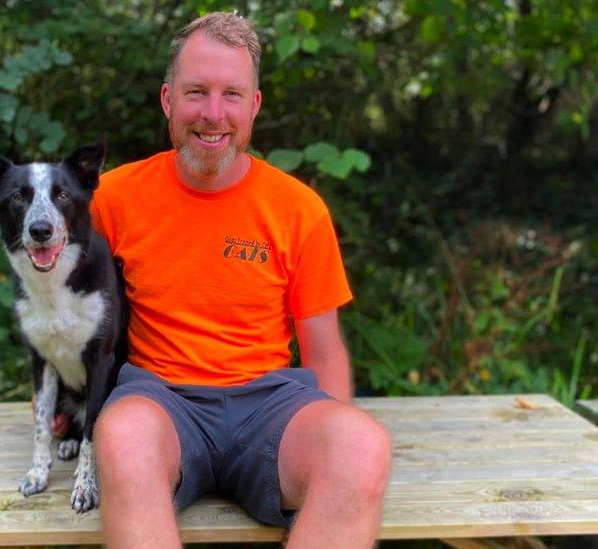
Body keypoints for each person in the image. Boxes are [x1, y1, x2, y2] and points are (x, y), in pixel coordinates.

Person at [89, 12, 391, 548]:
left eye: (232, 94)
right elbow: (70, 319)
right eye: (196, 92)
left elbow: (324, 352)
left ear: (253, 105)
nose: (212, 114)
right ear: (167, 99)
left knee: (360, 446)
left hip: (271, 405)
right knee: (123, 435)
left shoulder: (299, 209)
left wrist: (333, 467)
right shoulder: (112, 198)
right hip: (161, 401)